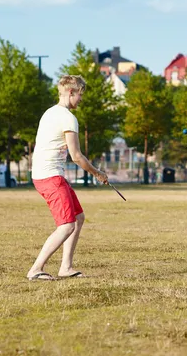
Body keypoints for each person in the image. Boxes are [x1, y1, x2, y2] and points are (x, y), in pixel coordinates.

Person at [27, 75, 108, 281]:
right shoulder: (68, 118)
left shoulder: (49, 113)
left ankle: (66, 267)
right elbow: (77, 156)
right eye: (80, 94)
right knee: (66, 225)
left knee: (78, 218)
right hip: (50, 176)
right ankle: (36, 269)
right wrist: (98, 173)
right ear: (71, 92)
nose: (81, 99)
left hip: (47, 175)